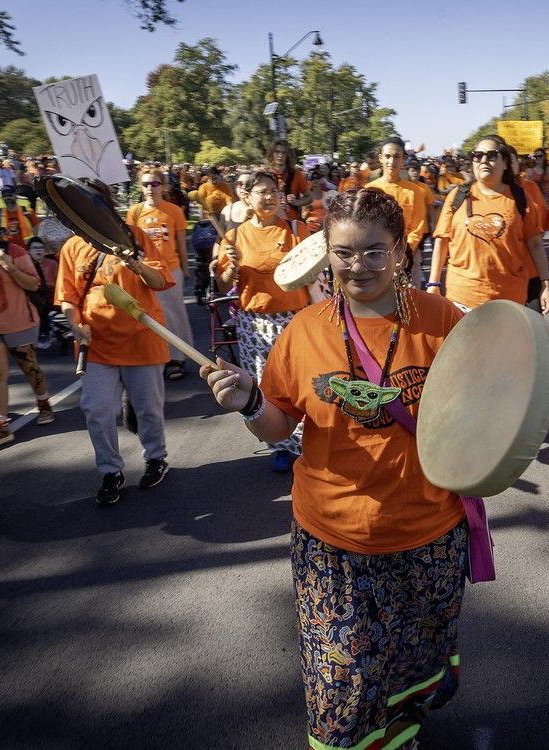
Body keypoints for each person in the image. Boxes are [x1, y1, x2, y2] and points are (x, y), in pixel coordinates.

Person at [201, 187, 469, 749]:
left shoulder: (443, 320)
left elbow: (481, 412)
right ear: (326, 254)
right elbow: (278, 426)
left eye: (375, 251)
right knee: (341, 688)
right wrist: (249, 402)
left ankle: (400, 735)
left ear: (401, 252)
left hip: (430, 535)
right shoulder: (304, 331)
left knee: (407, 669)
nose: (359, 266)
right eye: (344, 252)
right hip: (334, 542)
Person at [55, 179, 173, 504]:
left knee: (148, 408)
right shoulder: (72, 247)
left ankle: (156, 458)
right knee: (96, 410)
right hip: (97, 347)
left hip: (142, 339)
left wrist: (135, 263)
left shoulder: (137, 237)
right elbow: (67, 297)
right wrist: (75, 324)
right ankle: (110, 471)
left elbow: (161, 280)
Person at [215, 170, 310, 472]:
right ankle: (279, 446)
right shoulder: (234, 236)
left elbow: (316, 269)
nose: (268, 197)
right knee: (265, 384)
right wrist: (231, 267)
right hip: (254, 323)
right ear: (247, 197)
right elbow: (221, 285)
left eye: (273, 190)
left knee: (300, 383)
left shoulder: (296, 230)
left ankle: (307, 444)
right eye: (261, 191)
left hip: (295, 318)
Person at [0, 205, 55, 449]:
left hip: (18, 321)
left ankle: (43, 402)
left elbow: (34, 285)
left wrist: (9, 266)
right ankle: (0, 425)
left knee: (29, 368)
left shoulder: (14, 251)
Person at [429, 138, 549, 314]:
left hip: (509, 300)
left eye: (491, 155)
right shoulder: (457, 196)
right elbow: (441, 242)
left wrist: (545, 283)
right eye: (477, 156)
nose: (484, 160)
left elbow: (535, 244)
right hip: (462, 299)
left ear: (504, 163)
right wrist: (433, 284)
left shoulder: (520, 198)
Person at [126, 167, 194, 381]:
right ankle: (157, 356)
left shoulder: (174, 211)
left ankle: (177, 359)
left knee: (173, 315)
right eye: (145, 184)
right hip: (145, 271)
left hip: (170, 270)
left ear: (163, 186)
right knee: (148, 316)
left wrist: (185, 268)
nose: (150, 188)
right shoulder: (134, 212)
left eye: (154, 184)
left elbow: (181, 244)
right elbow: (130, 244)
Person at [367, 136, 431, 281]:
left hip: (409, 257)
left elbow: (418, 226)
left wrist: (404, 252)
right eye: (387, 156)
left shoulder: (415, 191)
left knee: (410, 301)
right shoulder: (369, 190)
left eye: (397, 157)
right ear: (380, 158)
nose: (392, 162)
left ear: (403, 159)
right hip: (376, 257)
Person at [267, 139, 311, 221]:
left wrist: (296, 202)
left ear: (288, 155)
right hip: (271, 221)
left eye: (284, 153)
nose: (280, 155)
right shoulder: (266, 175)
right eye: (277, 152)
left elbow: (309, 198)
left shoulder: (296, 174)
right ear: (272, 153)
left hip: (291, 222)